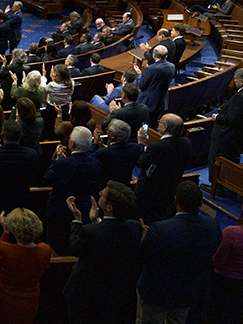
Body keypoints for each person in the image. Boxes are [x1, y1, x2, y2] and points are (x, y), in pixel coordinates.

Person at [137, 181, 222, 324]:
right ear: (200, 203)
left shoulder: (160, 229)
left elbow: (144, 255)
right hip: (188, 291)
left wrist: (145, 235)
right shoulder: (212, 225)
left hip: (158, 292)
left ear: (175, 200)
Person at [64, 181, 143, 324]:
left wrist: (77, 220)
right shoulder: (135, 227)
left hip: (88, 296)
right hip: (118, 295)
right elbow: (109, 237)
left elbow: (75, 248)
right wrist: (97, 221)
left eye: (103, 194)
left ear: (109, 207)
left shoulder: (90, 232)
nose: (100, 192)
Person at [43, 126, 102, 255]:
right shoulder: (96, 164)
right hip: (84, 210)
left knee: (58, 246)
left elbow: (46, 179)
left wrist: (57, 160)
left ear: (72, 143)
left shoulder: (61, 164)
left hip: (60, 212)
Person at [0, 120, 39, 244]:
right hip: (21, 203)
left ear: (2, 135)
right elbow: (34, 179)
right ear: (20, 135)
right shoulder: (31, 154)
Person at [0, 208, 51, 324]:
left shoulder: (5, 249)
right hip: (30, 300)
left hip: (4, 299)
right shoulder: (45, 250)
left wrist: (5, 232)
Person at [135, 113, 192, 224]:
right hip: (171, 187)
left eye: (159, 122)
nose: (158, 124)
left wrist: (141, 144)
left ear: (165, 127)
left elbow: (140, 162)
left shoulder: (157, 147)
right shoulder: (187, 143)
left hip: (150, 192)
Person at [205, 68, 243, 196]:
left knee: (217, 157)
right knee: (232, 158)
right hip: (238, 135)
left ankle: (216, 187)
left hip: (227, 134)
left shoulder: (240, 97)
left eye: (236, 80)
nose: (235, 82)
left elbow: (231, 119)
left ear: (241, 82)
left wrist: (217, 117)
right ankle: (228, 184)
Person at [91, 119, 142, 186]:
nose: (106, 131)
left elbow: (88, 161)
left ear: (113, 136)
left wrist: (94, 144)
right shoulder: (135, 148)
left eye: (108, 130)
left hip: (106, 188)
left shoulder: (102, 153)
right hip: (124, 186)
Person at [135, 45, 174, 125]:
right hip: (161, 101)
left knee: (145, 124)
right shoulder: (172, 66)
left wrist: (139, 74)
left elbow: (141, 85)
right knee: (154, 122)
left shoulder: (151, 69)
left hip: (148, 102)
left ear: (154, 55)